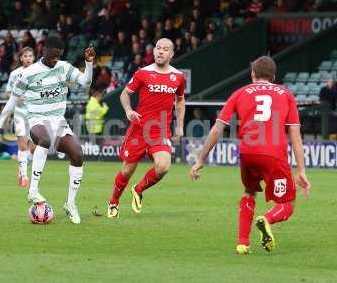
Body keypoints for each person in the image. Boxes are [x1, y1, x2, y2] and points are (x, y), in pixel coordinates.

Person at [189, 56, 311, 254]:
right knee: (288, 203)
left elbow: (217, 129)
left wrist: (201, 159)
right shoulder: (286, 94)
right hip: (273, 154)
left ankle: (242, 243)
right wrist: (302, 170)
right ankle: (267, 219)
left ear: (252, 74)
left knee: (249, 192)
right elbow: (295, 135)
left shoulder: (239, 92)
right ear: (274, 76)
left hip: (247, 153)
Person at [0, 36, 95, 224]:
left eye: (59, 56)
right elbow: (12, 102)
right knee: (44, 139)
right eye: (53, 55)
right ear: (44, 51)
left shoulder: (64, 67)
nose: (56, 59)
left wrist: (89, 63)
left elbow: (86, 81)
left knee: (77, 153)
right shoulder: (28, 73)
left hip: (59, 122)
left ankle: (70, 204)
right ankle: (33, 190)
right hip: (37, 120)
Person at [107, 38, 186, 218]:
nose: (160, 51)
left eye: (165, 49)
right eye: (158, 48)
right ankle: (113, 202)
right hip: (139, 129)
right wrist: (128, 110)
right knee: (127, 171)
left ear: (171, 54)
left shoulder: (178, 77)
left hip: (160, 131)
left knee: (164, 166)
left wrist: (180, 126)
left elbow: (180, 101)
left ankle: (139, 188)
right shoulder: (143, 73)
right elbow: (125, 94)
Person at [0, 47, 35, 187]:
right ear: (21, 58)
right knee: (22, 146)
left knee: (34, 148)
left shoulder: (39, 72)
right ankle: (24, 176)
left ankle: (23, 167)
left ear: (33, 58)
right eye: (25, 56)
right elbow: (7, 93)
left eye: (30, 56)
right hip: (19, 113)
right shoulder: (15, 74)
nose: (28, 58)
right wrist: (16, 97)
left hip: (35, 113)